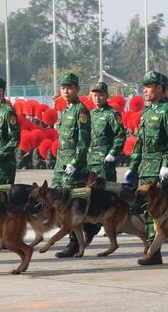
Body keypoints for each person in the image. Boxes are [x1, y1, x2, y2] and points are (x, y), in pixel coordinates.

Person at [125, 71, 168, 266]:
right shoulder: (147, 112)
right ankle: (152, 249)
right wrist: (132, 167)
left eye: (148, 86)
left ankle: (153, 253)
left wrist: (167, 165)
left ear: (160, 88)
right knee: (145, 211)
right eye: (144, 87)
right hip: (145, 167)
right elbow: (139, 143)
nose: (145, 90)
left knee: (157, 211)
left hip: (159, 168)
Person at [51, 73, 93, 258]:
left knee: (69, 205)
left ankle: (74, 243)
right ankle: (90, 227)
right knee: (57, 201)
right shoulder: (66, 110)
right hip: (62, 162)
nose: (66, 91)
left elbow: (84, 141)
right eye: (63, 88)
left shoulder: (80, 110)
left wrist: (75, 163)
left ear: (77, 89)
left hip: (73, 164)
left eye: (70, 87)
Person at [88, 82, 126, 182]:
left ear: (107, 96)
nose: (97, 98)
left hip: (104, 160)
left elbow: (120, 135)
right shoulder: (90, 114)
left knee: (106, 191)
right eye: (95, 95)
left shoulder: (111, 114)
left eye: (101, 95)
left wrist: (113, 153)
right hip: (90, 160)